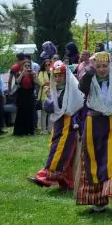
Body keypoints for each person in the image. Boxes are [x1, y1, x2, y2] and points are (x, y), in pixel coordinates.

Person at [75, 52, 112, 213]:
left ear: (110, 66)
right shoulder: (89, 79)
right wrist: (90, 70)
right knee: (94, 159)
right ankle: (98, 200)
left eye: (105, 66)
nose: (102, 69)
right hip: (93, 122)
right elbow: (82, 88)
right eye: (98, 66)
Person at [29, 61, 84, 190]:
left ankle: (46, 176)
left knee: (61, 150)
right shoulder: (54, 89)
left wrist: (50, 100)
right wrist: (48, 98)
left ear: (66, 76)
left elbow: (72, 106)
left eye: (61, 75)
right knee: (57, 148)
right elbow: (51, 108)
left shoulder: (72, 89)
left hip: (69, 124)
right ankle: (67, 182)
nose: (58, 78)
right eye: (56, 76)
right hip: (59, 123)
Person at [13, 59, 38, 136]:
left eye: (28, 66)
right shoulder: (19, 73)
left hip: (30, 95)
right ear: (22, 66)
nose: (27, 67)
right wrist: (23, 73)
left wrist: (34, 76)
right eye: (25, 66)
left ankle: (29, 130)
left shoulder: (32, 74)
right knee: (21, 112)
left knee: (30, 112)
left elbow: (38, 82)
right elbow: (17, 82)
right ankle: (20, 131)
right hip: (22, 95)